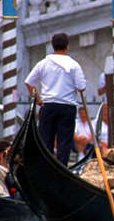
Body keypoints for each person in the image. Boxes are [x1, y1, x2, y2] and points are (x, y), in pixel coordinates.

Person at [25, 32, 87, 164]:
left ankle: (45, 167)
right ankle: (62, 167)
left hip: (48, 106)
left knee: (45, 140)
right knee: (64, 142)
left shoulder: (43, 63)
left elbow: (29, 82)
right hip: (67, 107)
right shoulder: (74, 65)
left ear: (52, 46)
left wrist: (38, 99)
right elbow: (81, 87)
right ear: (67, 46)